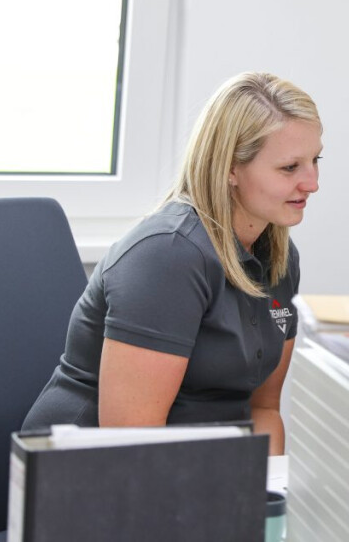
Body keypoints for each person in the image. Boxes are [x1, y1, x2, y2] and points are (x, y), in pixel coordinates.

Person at [23, 72, 322, 455]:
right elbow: (131, 447)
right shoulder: (167, 257)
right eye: (290, 168)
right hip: (85, 478)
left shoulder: (278, 257)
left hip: (195, 472)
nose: (312, 183)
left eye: (315, 159)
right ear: (230, 167)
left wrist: (269, 501)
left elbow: (262, 408)